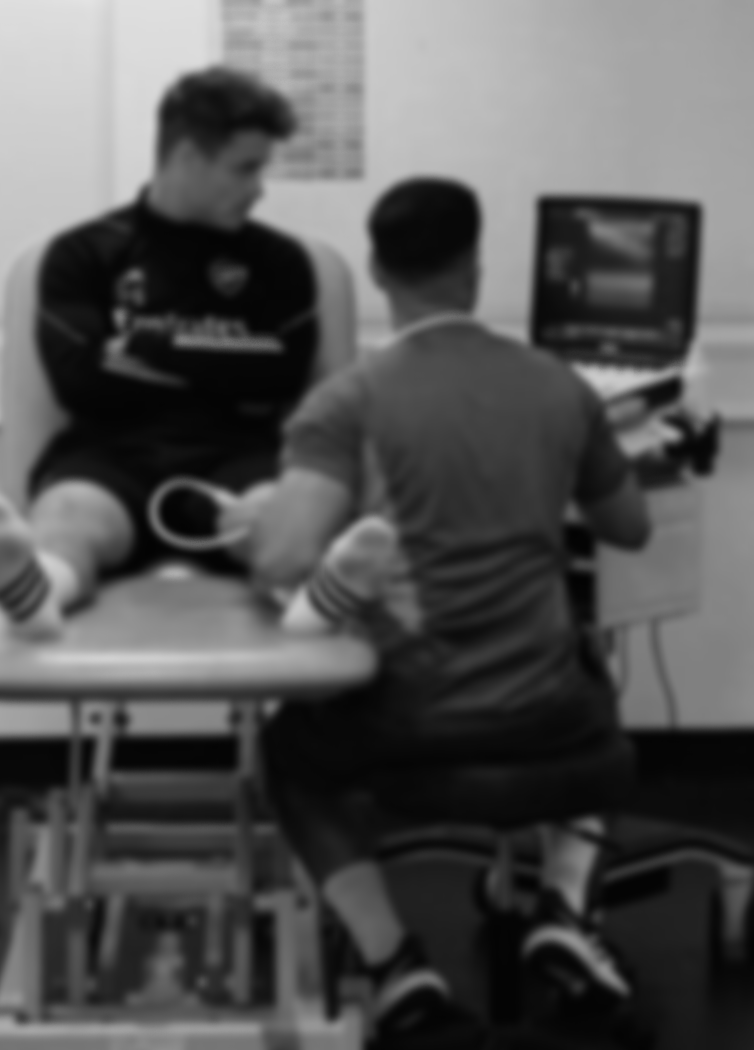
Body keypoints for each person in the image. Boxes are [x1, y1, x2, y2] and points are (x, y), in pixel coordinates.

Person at [248, 178, 652, 1047]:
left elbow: (282, 557)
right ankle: (563, 908)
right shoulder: (559, 387)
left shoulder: (345, 401)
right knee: (595, 681)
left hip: (404, 718)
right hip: (549, 717)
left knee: (289, 757)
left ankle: (397, 966)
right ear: (474, 266)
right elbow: (630, 526)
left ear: (377, 270)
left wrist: (262, 516)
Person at [0, 66, 352, 637]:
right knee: (67, 517)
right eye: (245, 168)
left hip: (236, 457)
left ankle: (314, 600)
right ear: (188, 157)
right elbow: (81, 380)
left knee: (274, 515)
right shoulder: (83, 255)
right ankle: (38, 592)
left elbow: (280, 374)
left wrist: (142, 344)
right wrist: (230, 359)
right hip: (110, 456)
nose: (259, 189)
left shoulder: (281, 262)